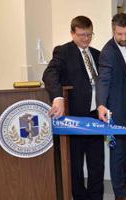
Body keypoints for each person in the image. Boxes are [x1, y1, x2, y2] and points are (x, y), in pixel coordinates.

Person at [43, 16, 104, 200]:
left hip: (95, 116)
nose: (86, 38)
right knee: (75, 164)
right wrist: (58, 97)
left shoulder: (97, 54)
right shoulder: (63, 51)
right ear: (72, 33)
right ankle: (79, 197)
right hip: (74, 117)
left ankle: (95, 197)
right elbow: (49, 74)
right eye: (81, 35)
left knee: (97, 162)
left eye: (89, 34)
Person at [96, 13, 126, 200]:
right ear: (113, 31)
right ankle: (120, 193)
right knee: (118, 152)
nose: (124, 38)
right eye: (119, 34)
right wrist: (101, 105)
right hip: (116, 109)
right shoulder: (108, 52)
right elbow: (103, 81)